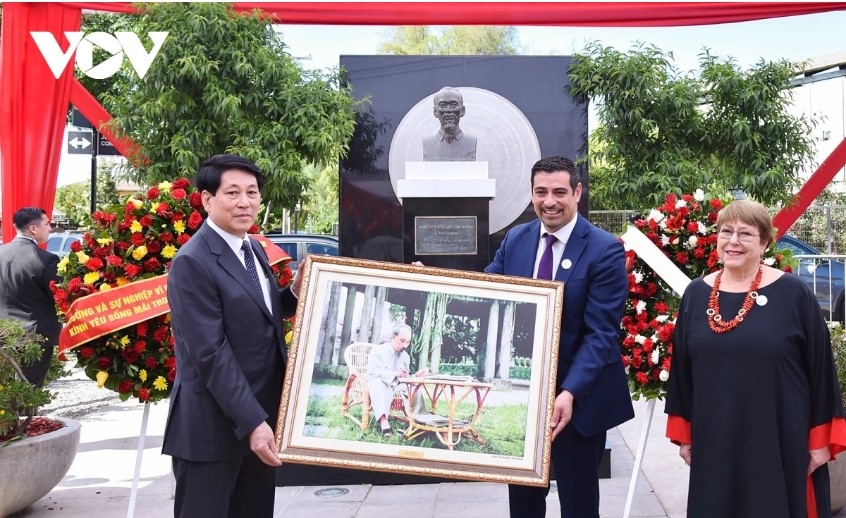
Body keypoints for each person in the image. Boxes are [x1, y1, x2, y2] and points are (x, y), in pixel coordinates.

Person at [665, 199, 846, 518]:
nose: (733, 241)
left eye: (745, 234)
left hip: (780, 437)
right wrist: (685, 433)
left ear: (764, 242)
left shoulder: (794, 293)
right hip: (715, 436)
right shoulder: (695, 294)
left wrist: (820, 440)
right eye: (726, 231)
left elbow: (820, 369)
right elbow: (683, 370)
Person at [485, 155, 633, 517]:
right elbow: (486, 292)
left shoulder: (605, 249)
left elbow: (601, 334)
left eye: (558, 192)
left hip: (579, 400)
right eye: (540, 192)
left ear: (577, 192)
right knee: (523, 503)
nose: (549, 201)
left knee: (579, 505)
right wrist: (430, 283)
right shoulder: (516, 239)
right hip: (525, 398)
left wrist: (568, 392)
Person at [163, 154, 302, 518]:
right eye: (233, 193)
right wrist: (253, 423)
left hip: (261, 417)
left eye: (252, 192)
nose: (245, 202)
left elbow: (263, 314)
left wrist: (298, 293)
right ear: (208, 200)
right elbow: (210, 352)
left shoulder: (251, 247)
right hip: (214, 428)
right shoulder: (192, 261)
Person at [0, 207, 61, 387]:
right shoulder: (46, 259)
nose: (50, 228)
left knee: (6, 390)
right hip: (35, 335)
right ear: (33, 229)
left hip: (3, 332)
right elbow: (58, 296)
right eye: (47, 223)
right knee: (28, 392)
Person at [366, 323, 428, 437]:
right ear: (393, 337)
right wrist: (394, 374)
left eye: (408, 342)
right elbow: (372, 372)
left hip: (397, 385)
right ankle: (384, 422)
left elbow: (404, 379)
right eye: (402, 340)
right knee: (379, 383)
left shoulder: (406, 357)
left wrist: (415, 376)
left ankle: (420, 420)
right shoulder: (378, 351)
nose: (405, 345)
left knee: (414, 386)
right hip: (379, 383)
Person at [422, 86, 477, 161]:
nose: (448, 110)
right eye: (443, 105)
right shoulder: (427, 144)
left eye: (453, 105)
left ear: (462, 111)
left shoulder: (471, 143)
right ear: (435, 112)